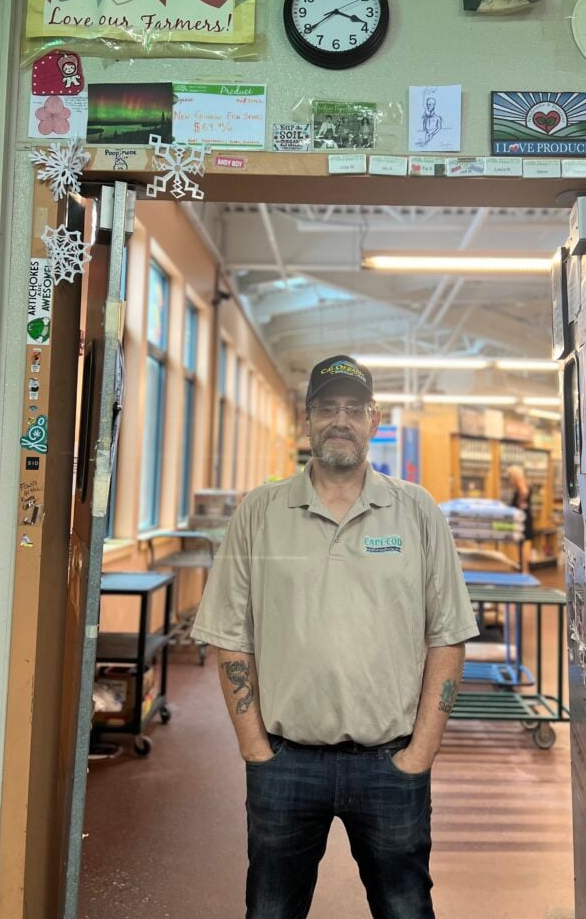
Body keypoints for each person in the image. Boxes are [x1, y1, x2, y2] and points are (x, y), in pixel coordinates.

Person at [192, 355, 479, 919]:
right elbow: (229, 635)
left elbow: (447, 635)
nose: (340, 420)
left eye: (353, 408)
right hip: (286, 764)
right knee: (271, 909)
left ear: (374, 419)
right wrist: (256, 751)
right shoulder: (262, 511)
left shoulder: (416, 511)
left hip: (391, 765)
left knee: (405, 908)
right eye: (327, 408)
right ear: (308, 420)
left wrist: (420, 754)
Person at [507, 464, 534, 569]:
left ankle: (524, 569)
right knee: (522, 545)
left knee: (522, 545)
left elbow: (524, 492)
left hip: (522, 519)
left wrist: (519, 503)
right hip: (525, 516)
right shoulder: (525, 482)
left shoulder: (520, 484)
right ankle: (523, 568)